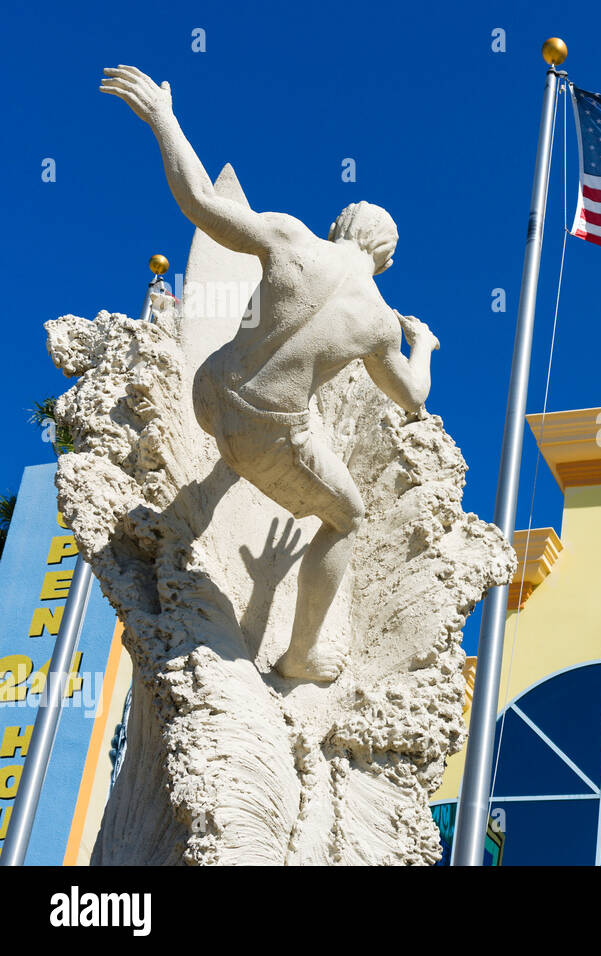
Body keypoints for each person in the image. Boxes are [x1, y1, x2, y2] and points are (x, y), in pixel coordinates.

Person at [101, 65, 439, 682]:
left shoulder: (290, 238)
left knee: (277, 427)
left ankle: (209, 489)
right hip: (269, 438)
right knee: (348, 516)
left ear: (340, 226)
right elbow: (413, 399)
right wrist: (425, 347)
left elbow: (201, 202)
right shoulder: (380, 323)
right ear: (384, 258)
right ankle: (301, 655)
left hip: (211, 392)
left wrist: (163, 119)